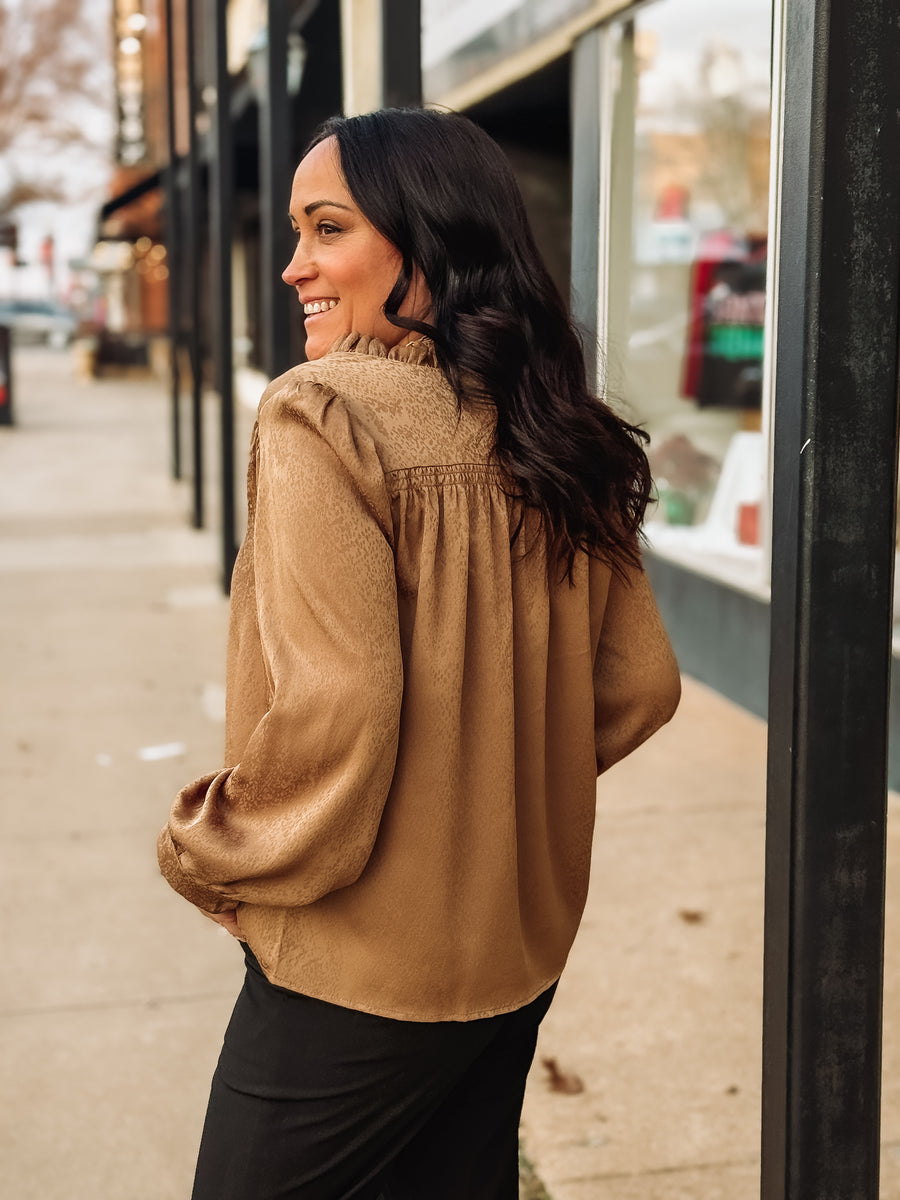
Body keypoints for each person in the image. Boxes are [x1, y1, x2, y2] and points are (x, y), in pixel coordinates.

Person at [158, 106, 681, 1200]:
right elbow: (640, 685)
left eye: (327, 229)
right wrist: (491, 781)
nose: (296, 263)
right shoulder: (555, 421)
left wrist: (215, 850)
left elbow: (341, 704)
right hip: (517, 947)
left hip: (358, 973)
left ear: (426, 238)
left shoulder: (322, 415)